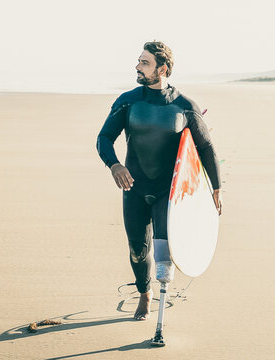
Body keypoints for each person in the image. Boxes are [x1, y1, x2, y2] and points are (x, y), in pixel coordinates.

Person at [96, 41, 222, 320]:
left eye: (144, 62)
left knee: (164, 252)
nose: (138, 67)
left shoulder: (184, 106)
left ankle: (161, 307)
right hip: (134, 188)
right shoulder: (128, 100)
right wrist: (114, 165)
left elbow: (206, 148)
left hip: (169, 193)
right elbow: (104, 137)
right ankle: (145, 293)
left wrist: (216, 188)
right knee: (137, 250)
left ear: (162, 69)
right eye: (139, 61)